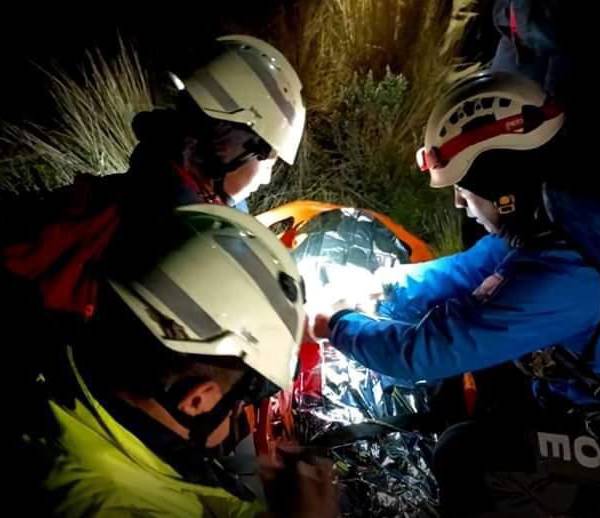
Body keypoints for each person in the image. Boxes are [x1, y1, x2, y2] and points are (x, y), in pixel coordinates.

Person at [311, 70, 600, 516]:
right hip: (574, 393)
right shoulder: (561, 218)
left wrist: (337, 326)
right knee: (493, 388)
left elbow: (423, 354)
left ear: (503, 191)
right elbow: (470, 270)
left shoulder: (567, 273)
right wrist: (379, 286)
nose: (459, 204)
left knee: (463, 453)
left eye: (464, 191)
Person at [16, 204, 337, 517]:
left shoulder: (56, 359)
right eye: (244, 401)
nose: (240, 413)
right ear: (198, 400)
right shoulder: (112, 504)